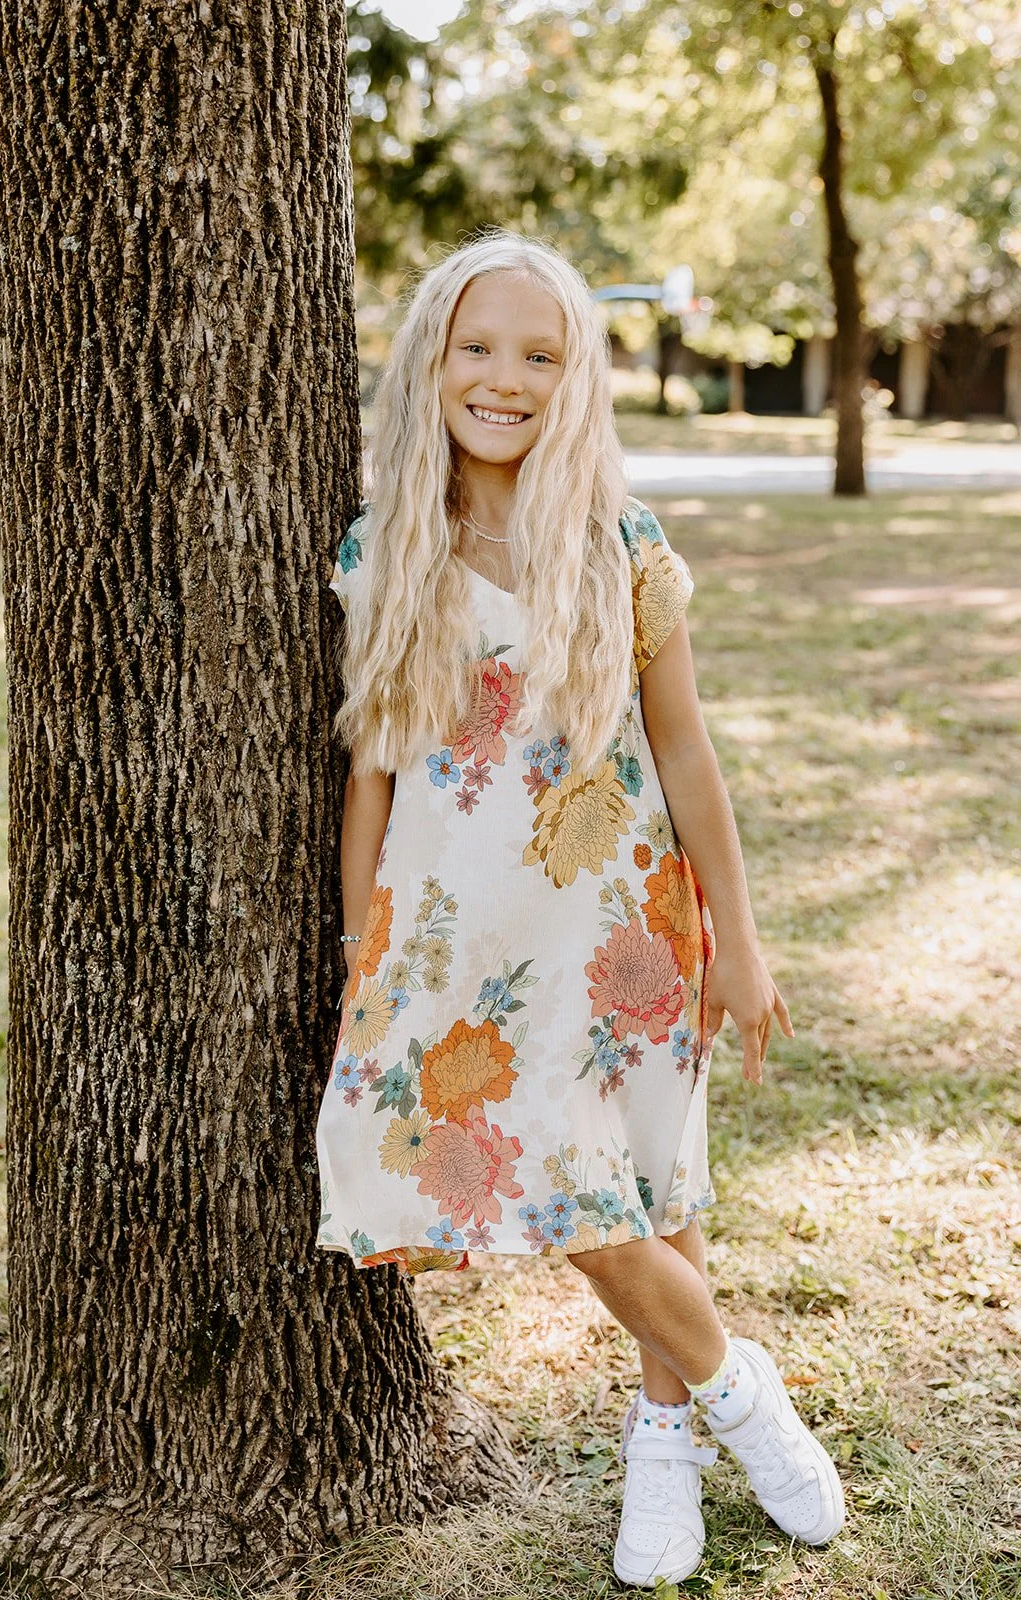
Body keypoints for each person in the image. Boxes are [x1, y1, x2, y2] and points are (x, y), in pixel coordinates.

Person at [313, 230, 844, 1588]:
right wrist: (357, 948)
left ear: (577, 377)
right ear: (432, 357)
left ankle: (663, 1446)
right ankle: (741, 1391)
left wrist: (739, 940)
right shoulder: (387, 548)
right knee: (571, 1196)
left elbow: (685, 755)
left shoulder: (620, 541)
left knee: (647, 1185)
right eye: (477, 348)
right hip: (458, 942)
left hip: (619, 930)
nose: (504, 378)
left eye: (539, 355)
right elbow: (370, 777)